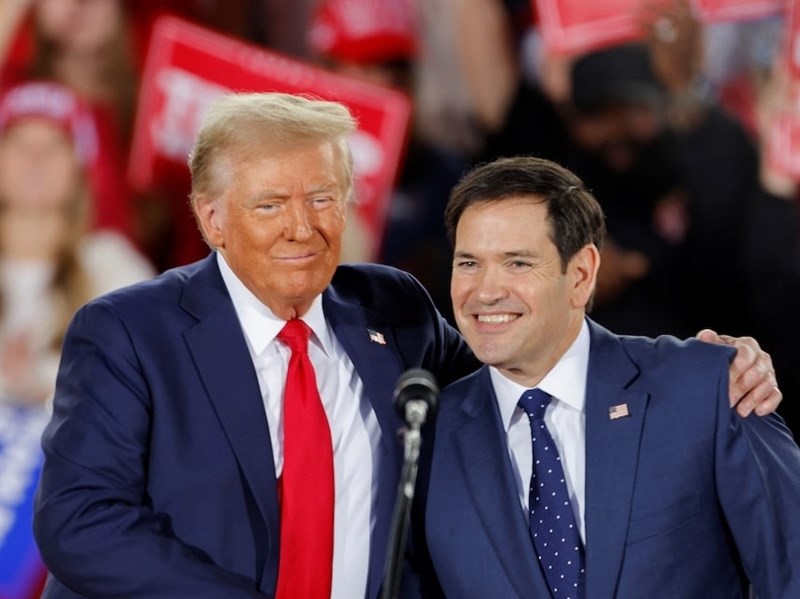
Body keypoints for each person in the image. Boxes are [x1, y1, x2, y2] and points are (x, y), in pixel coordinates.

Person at [32, 92, 781, 599]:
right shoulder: (130, 332)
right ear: (211, 218)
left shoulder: (391, 309)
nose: (302, 226)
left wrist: (690, 365)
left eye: (323, 198)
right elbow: (80, 522)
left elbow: (527, 354)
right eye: (270, 204)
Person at [412, 156, 800, 598]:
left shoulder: (708, 387)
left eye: (517, 263)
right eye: (468, 263)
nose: (485, 291)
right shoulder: (425, 442)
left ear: (581, 274)